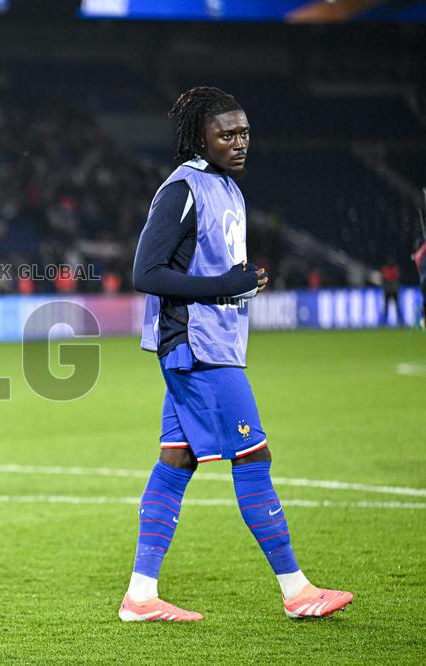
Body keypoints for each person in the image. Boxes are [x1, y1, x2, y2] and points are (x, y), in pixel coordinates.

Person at [121, 87, 352, 621]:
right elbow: (145, 272)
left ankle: (141, 595)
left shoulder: (228, 188)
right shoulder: (182, 188)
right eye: (226, 134)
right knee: (253, 455)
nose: (239, 142)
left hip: (213, 342)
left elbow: (211, 270)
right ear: (199, 138)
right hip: (197, 347)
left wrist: (239, 282)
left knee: (176, 461)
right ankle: (296, 590)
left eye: (244, 132)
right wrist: (224, 286)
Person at [380, 259, 403, 326]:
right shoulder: (388, 269)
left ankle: (399, 321)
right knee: (387, 307)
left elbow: (385, 278)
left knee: (395, 306)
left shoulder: (390, 269)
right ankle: (384, 322)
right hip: (390, 290)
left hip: (392, 290)